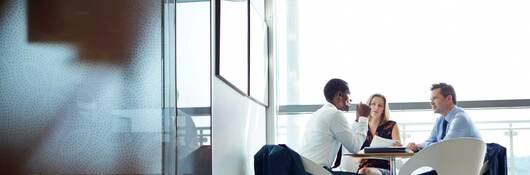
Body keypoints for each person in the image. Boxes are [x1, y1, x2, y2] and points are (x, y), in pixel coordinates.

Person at [299, 78, 371, 175]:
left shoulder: (319, 113)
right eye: (348, 94)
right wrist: (364, 118)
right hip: (317, 171)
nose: (350, 99)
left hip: (305, 169)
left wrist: (358, 120)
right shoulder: (335, 114)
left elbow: (347, 135)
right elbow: (355, 147)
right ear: (340, 95)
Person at [407, 83, 482, 152]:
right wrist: (417, 146)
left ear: (449, 99)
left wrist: (420, 146)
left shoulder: (460, 118)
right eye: (431, 99)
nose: (431, 102)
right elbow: (430, 141)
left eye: (435, 98)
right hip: (452, 161)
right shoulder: (440, 120)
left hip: (467, 163)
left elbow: (444, 147)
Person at [357, 94, 401, 175]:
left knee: (365, 172)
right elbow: (355, 158)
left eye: (380, 105)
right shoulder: (361, 126)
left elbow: (399, 152)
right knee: (364, 171)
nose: (376, 107)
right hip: (363, 168)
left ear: (384, 109)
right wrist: (364, 154)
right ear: (368, 106)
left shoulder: (392, 125)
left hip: (384, 168)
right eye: (373, 104)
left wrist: (397, 147)